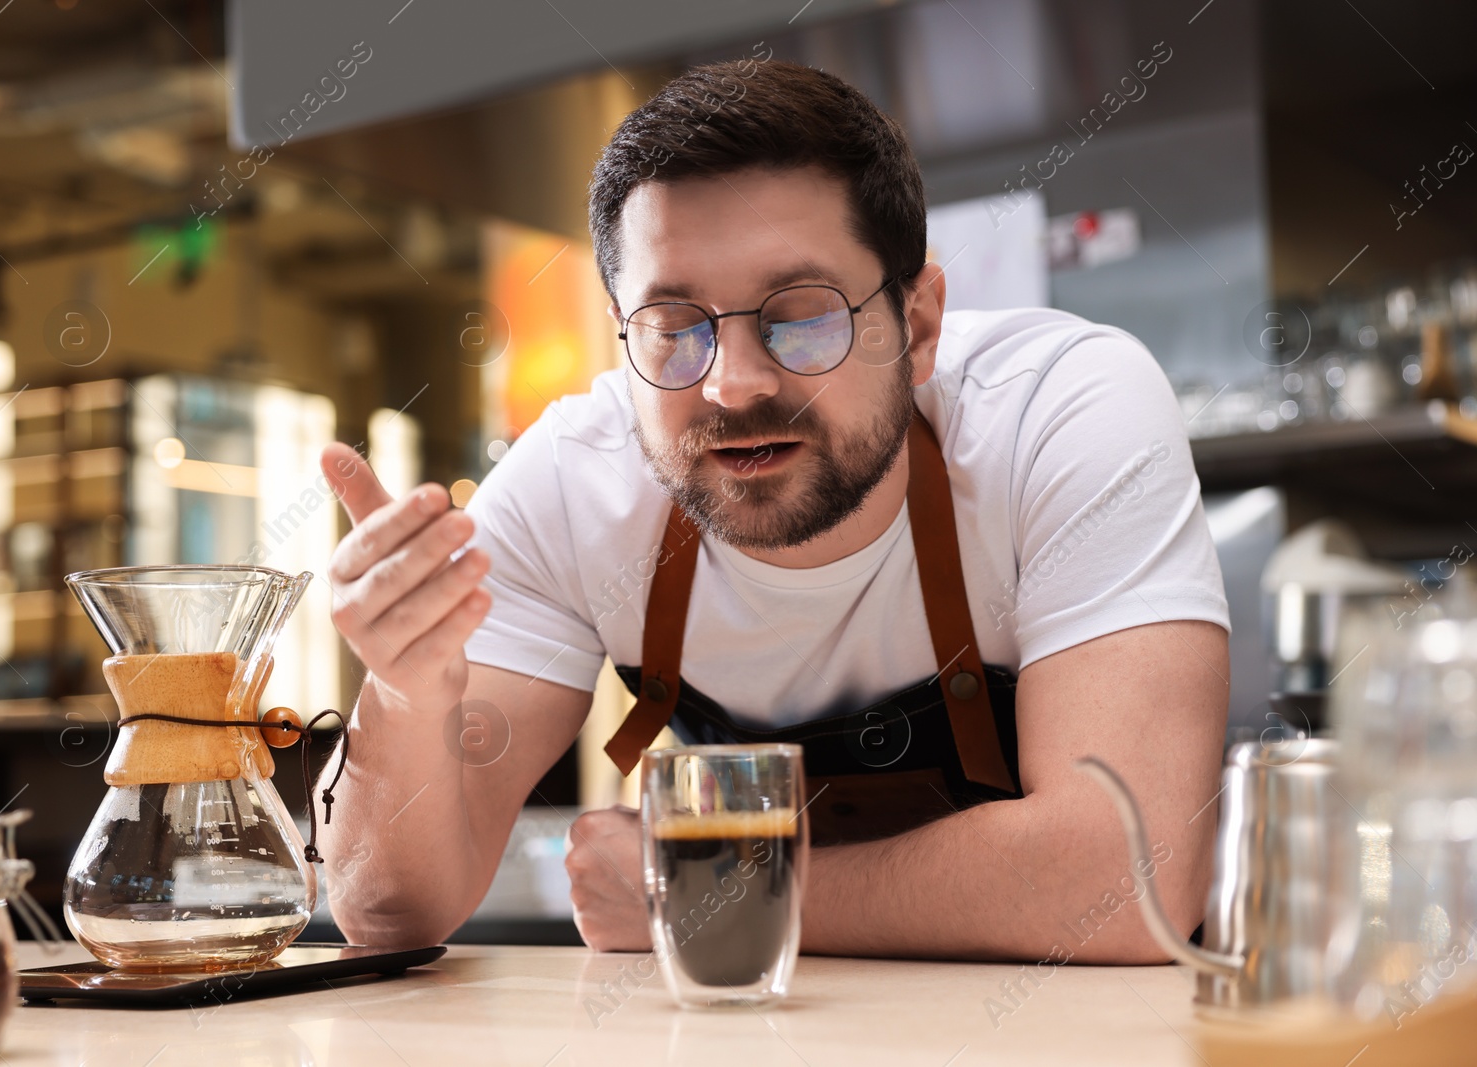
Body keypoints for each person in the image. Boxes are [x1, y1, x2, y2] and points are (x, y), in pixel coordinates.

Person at [315, 59, 1229, 962]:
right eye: (674, 326)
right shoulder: (570, 479)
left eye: (802, 314)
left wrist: (708, 891)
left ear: (915, 328)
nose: (734, 383)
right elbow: (390, 912)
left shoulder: (1061, 410)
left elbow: (1131, 876)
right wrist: (404, 685)